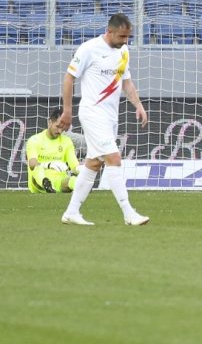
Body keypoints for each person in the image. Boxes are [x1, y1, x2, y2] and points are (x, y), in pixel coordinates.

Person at [58, 13, 150, 226]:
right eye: (122, 36)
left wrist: (138, 105)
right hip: (92, 113)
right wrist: (67, 110)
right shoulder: (89, 49)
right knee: (113, 158)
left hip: (110, 116)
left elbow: (126, 81)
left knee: (93, 163)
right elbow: (69, 77)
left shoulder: (123, 51)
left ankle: (71, 212)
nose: (125, 41)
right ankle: (129, 213)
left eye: (128, 37)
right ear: (109, 31)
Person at [26, 107, 80, 194]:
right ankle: (46, 183)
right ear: (50, 122)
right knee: (37, 169)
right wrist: (48, 165)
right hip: (38, 180)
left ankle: (82, 186)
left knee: (74, 181)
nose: (59, 131)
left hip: (59, 180)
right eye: (57, 126)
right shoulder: (34, 140)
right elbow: (32, 164)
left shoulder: (66, 141)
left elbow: (74, 165)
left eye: (62, 128)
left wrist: (81, 169)